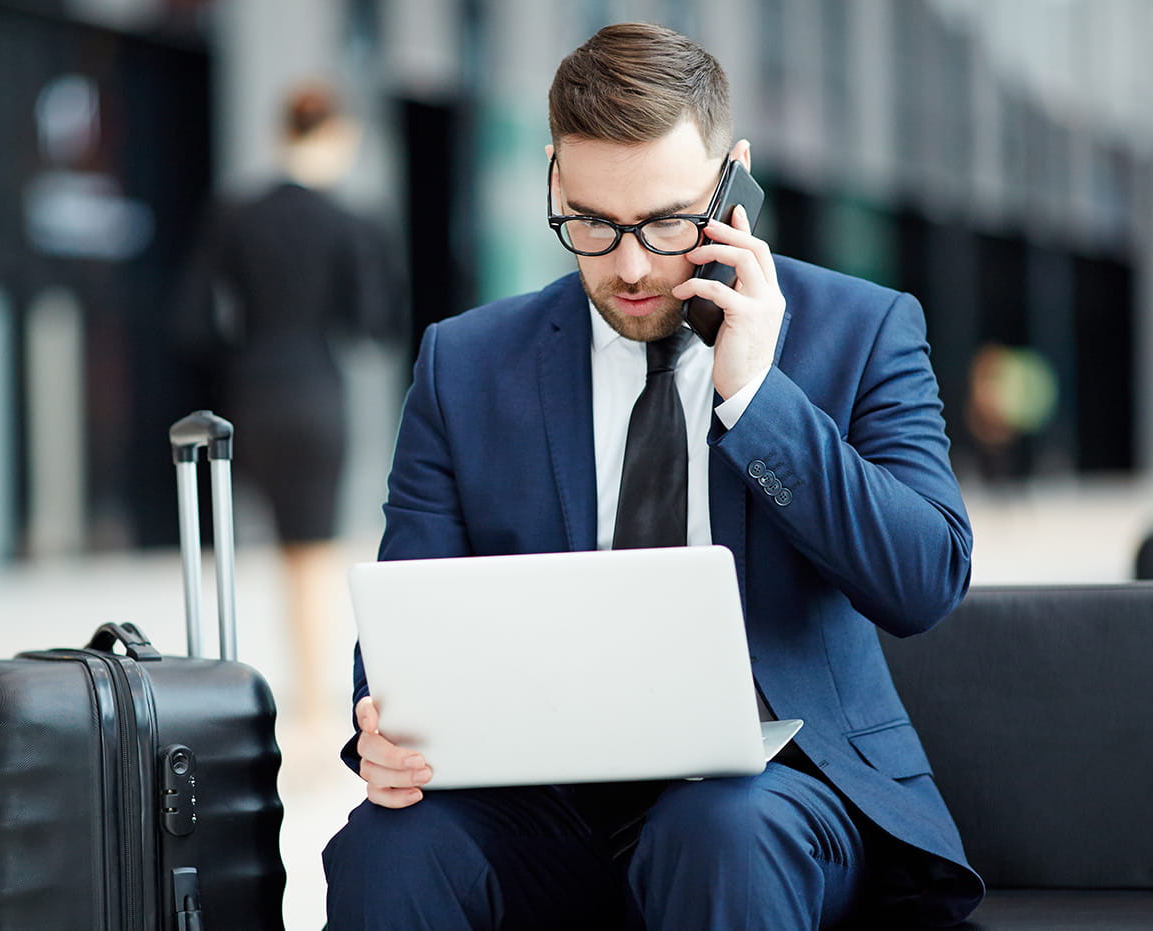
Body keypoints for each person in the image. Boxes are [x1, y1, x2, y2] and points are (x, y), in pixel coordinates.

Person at [322, 23, 984, 930]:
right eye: (591, 222)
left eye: (668, 221)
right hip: (542, 803)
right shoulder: (463, 364)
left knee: (718, 830)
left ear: (735, 179)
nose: (630, 265)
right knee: (387, 846)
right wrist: (383, 727)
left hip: (774, 798)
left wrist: (757, 395)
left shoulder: (863, 329)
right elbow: (405, 621)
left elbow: (923, 581)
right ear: (554, 176)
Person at [180, 83, 405, 724]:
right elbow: (373, 325)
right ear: (337, 136)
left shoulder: (235, 213)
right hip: (317, 395)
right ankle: (312, 695)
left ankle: (300, 687)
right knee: (315, 549)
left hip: (253, 394)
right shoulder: (352, 220)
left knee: (284, 548)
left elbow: (193, 320)